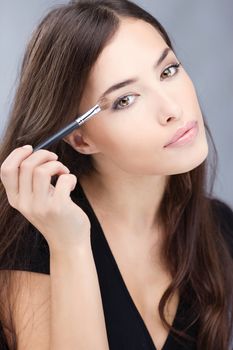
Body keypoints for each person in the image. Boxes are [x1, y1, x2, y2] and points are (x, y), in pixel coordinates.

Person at [0, 0, 232, 349]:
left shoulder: (218, 228)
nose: (172, 109)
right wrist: (69, 244)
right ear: (80, 137)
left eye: (168, 71)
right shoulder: (34, 238)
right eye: (125, 99)